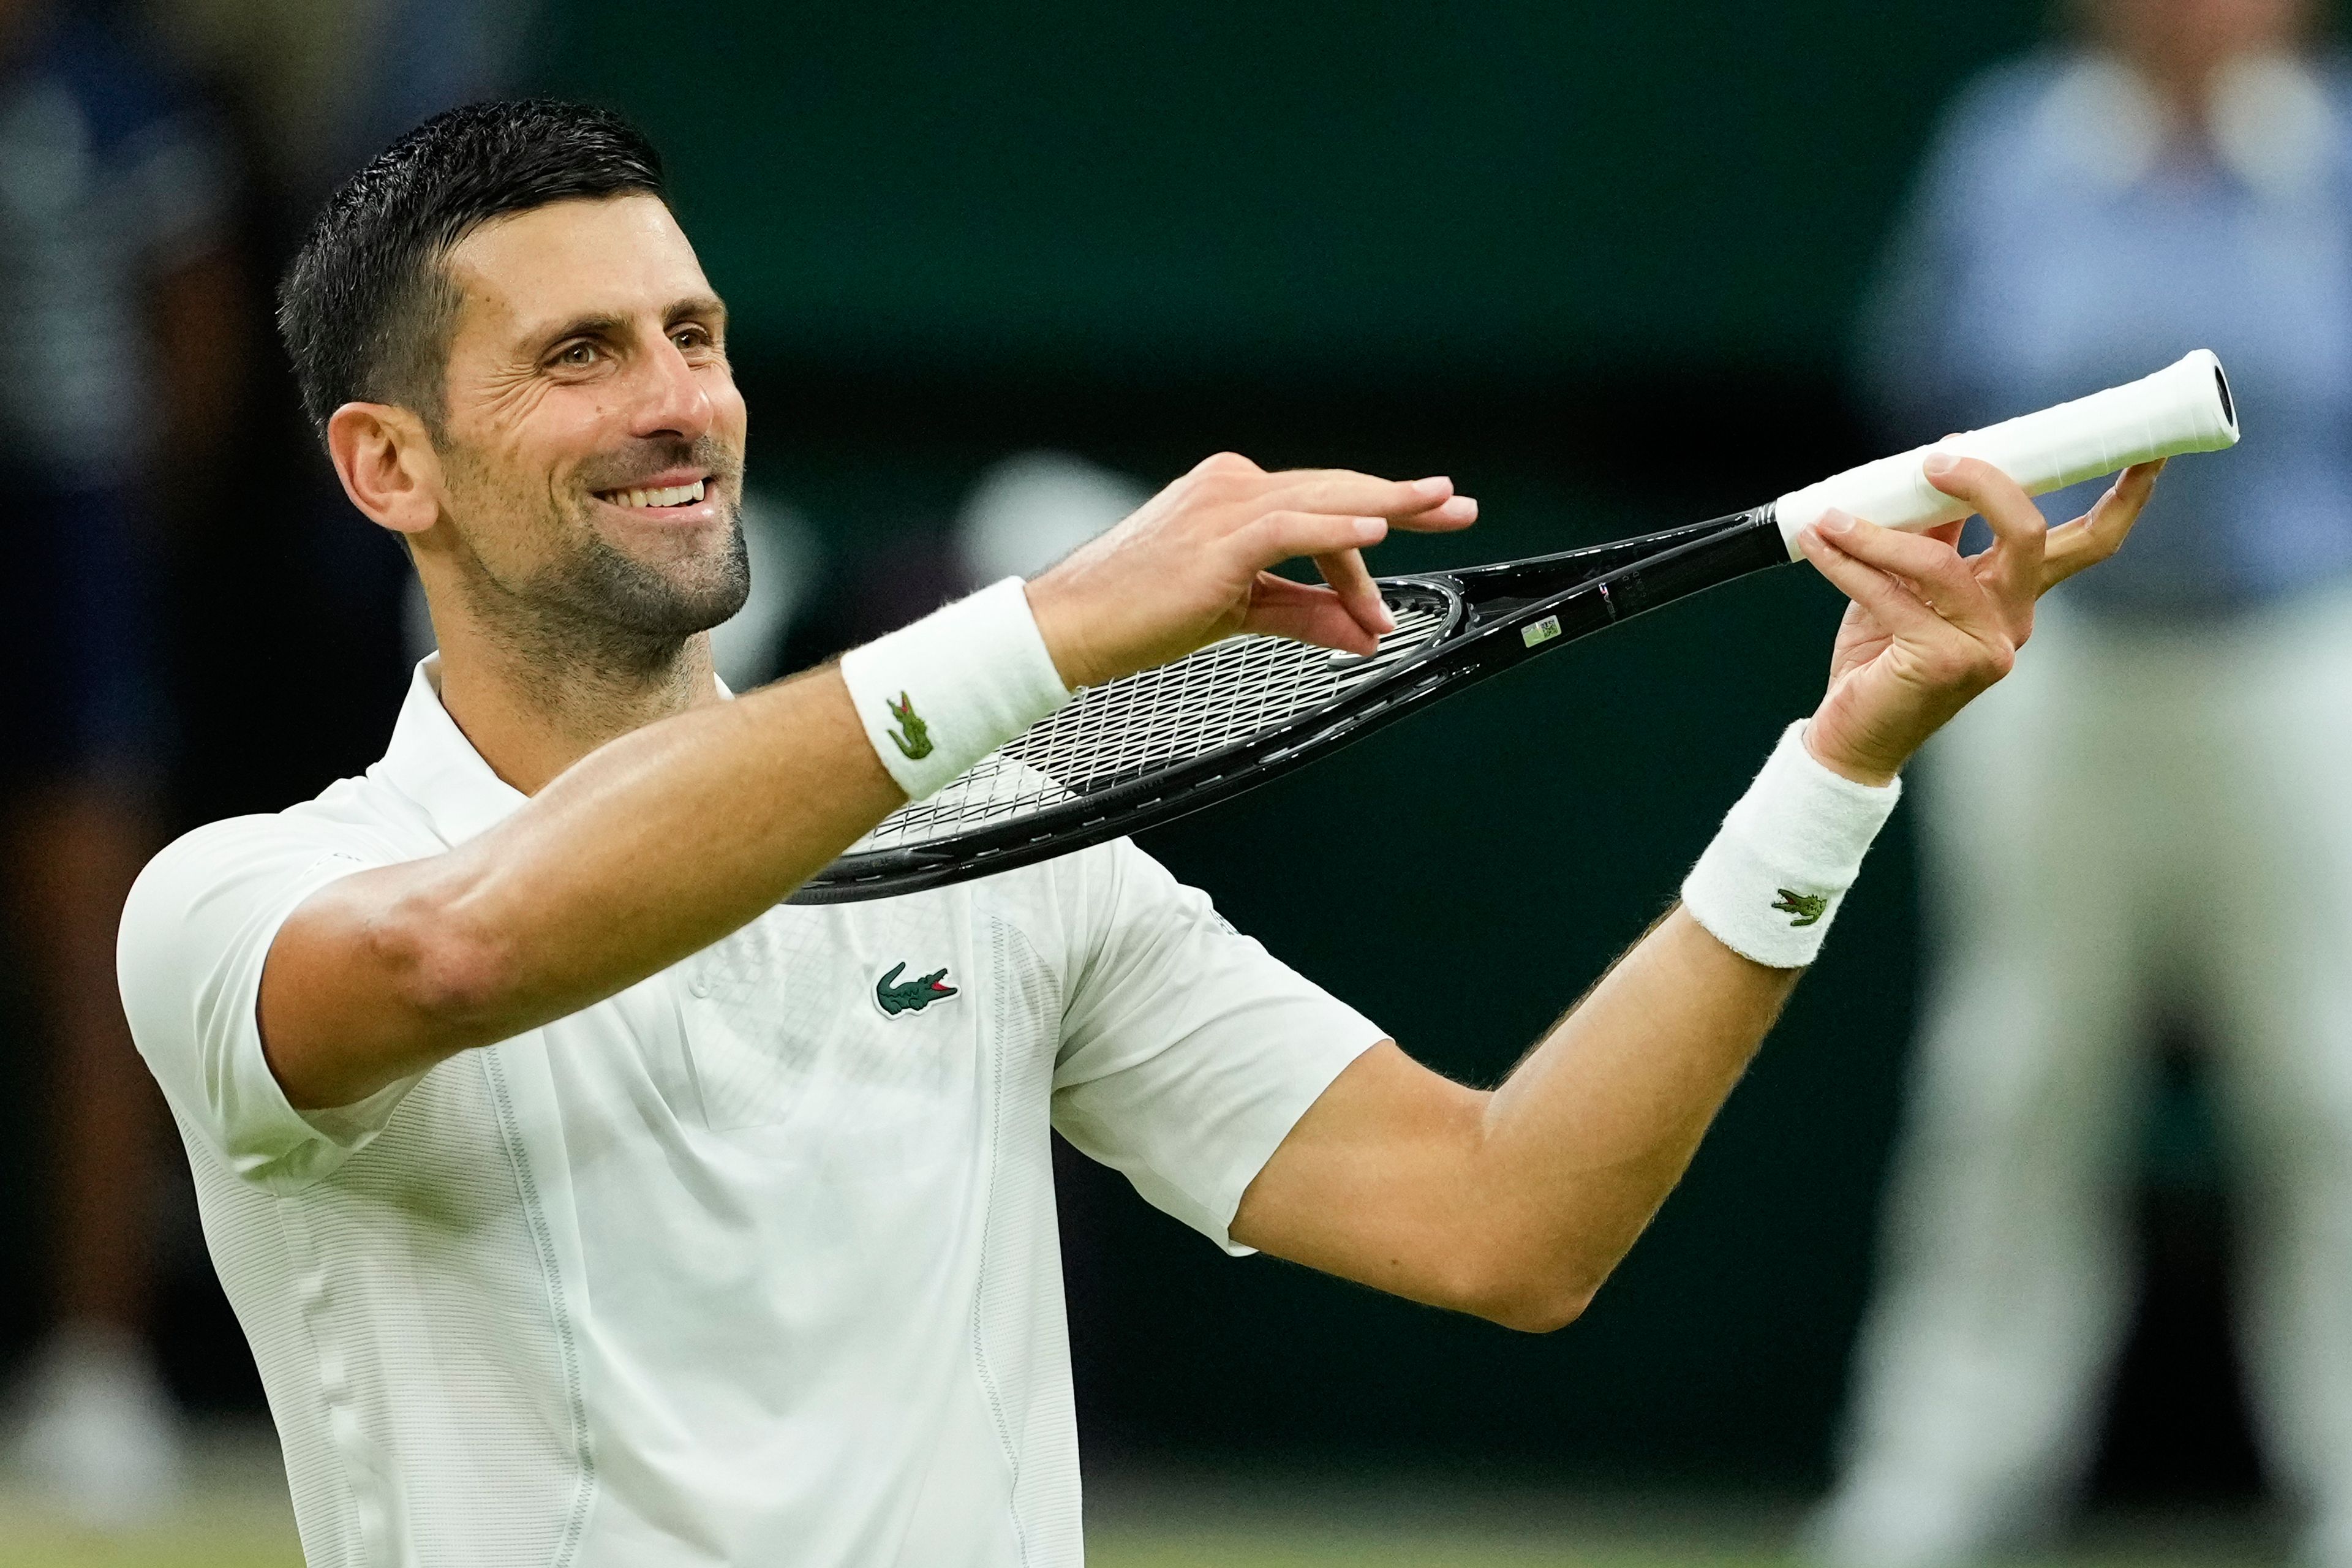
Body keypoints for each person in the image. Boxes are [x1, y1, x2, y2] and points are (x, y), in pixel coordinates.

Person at [116, 100, 2159, 1565]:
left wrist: (1841, 763)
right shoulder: (242, 905)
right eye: (583, 355)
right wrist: (1055, 625)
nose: (677, 402)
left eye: (696, 335)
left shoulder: (1018, 868)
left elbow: (1505, 1219)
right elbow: (465, 954)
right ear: (390, 464)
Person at [1807, 2, 2352, 1563]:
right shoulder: (2010, 147)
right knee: (2017, 1076)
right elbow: (1926, 380)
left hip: (2301, 671)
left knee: (2330, 1081)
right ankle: (1932, 1493)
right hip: (2055, 676)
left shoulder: (2334, 159)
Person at [0, 0, 244, 1528]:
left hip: (64, 537)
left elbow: (197, 314)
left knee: (91, 956)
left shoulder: (112, 87)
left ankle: (99, 1363)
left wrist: (131, 513)